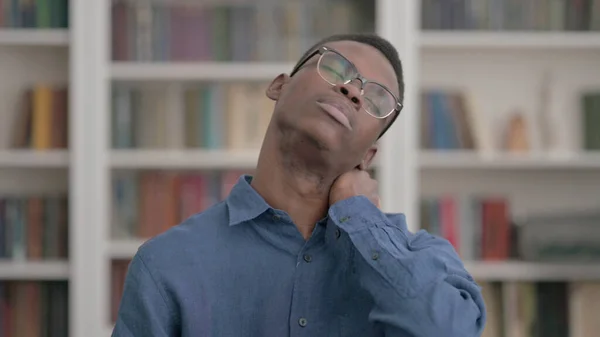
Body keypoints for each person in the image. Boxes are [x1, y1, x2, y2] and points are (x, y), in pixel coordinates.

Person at [112, 33, 486, 337]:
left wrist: (360, 218)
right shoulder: (167, 264)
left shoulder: (423, 259)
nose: (353, 92)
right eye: (337, 69)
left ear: (368, 156)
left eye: (376, 99)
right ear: (279, 86)